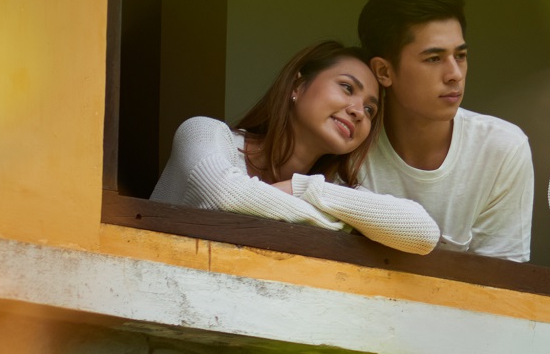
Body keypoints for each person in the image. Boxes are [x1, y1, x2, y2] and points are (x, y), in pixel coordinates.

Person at [152, 40, 440, 253]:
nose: (358, 111)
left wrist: (301, 189)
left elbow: (422, 232)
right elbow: (227, 196)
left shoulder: (326, 189)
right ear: (297, 86)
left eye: (370, 110)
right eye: (347, 88)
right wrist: (340, 222)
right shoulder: (206, 132)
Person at [354, 0, 535, 262]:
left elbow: (502, 284)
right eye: (434, 58)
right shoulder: (350, 141)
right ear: (384, 72)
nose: (455, 74)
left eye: (460, 55)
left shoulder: (501, 149)